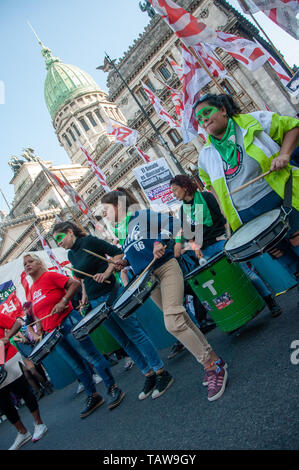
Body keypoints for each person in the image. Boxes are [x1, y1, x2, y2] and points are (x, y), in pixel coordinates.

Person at [101, 189, 228, 402]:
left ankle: (212, 366)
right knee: (183, 319)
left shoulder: (141, 216)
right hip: (149, 280)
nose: (103, 214)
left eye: (105, 209)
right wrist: (125, 262)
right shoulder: (122, 231)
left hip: (166, 268)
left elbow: (176, 225)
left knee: (173, 323)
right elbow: (139, 254)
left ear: (118, 205)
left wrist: (160, 241)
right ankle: (215, 359)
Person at [52, 221, 174, 401]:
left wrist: (107, 272)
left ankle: (161, 371)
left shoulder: (89, 242)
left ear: (70, 232)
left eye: (60, 238)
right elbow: (83, 278)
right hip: (96, 303)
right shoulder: (71, 255)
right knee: (123, 341)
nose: (59, 243)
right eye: (56, 241)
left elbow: (118, 253)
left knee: (135, 333)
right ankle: (148, 374)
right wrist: (85, 296)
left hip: (111, 293)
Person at [195, 93, 299, 279]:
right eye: (199, 119)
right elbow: (208, 182)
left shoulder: (252, 121)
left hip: (282, 200)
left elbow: (292, 126)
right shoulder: (205, 155)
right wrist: (222, 207)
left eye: (206, 113)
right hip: (247, 218)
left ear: (223, 110)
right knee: (284, 259)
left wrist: (284, 155)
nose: (203, 120)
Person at [23, 253, 125, 418]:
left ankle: (112, 387)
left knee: (91, 356)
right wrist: (40, 325)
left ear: (39, 263)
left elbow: (74, 284)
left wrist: (63, 301)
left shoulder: (49, 276)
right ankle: (93, 395)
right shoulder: (33, 288)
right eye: (24, 264)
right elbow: (41, 309)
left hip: (68, 321)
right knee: (76, 365)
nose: (27, 265)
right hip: (53, 332)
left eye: (30, 261)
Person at [170, 174, 282, 317]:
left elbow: (223, 218)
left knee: (245, 273)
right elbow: (188, 233)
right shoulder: (182, 210)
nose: (174, 194)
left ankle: (270, 301)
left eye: (175, 190)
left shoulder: (206, 197)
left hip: (221, 242)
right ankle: (242, 311)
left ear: (185, 188)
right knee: (225, 283)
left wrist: (228, 237)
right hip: (206, 251)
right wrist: (195, 247)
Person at [0, 314, 48, 450]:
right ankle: (22, 432)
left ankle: (39, 424)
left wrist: (6, 337)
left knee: (22, 391)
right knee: (3, 403)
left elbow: (17, 324)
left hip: (8, 358)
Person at [13, 316, 53, 400]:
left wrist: (18, 338)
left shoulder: (18, 331)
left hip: (25, 353)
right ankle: (39, 391)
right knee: (27, 376)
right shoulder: (5, 336)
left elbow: (26, 340)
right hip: (17, 357)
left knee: (34, 371)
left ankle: (46, 385)